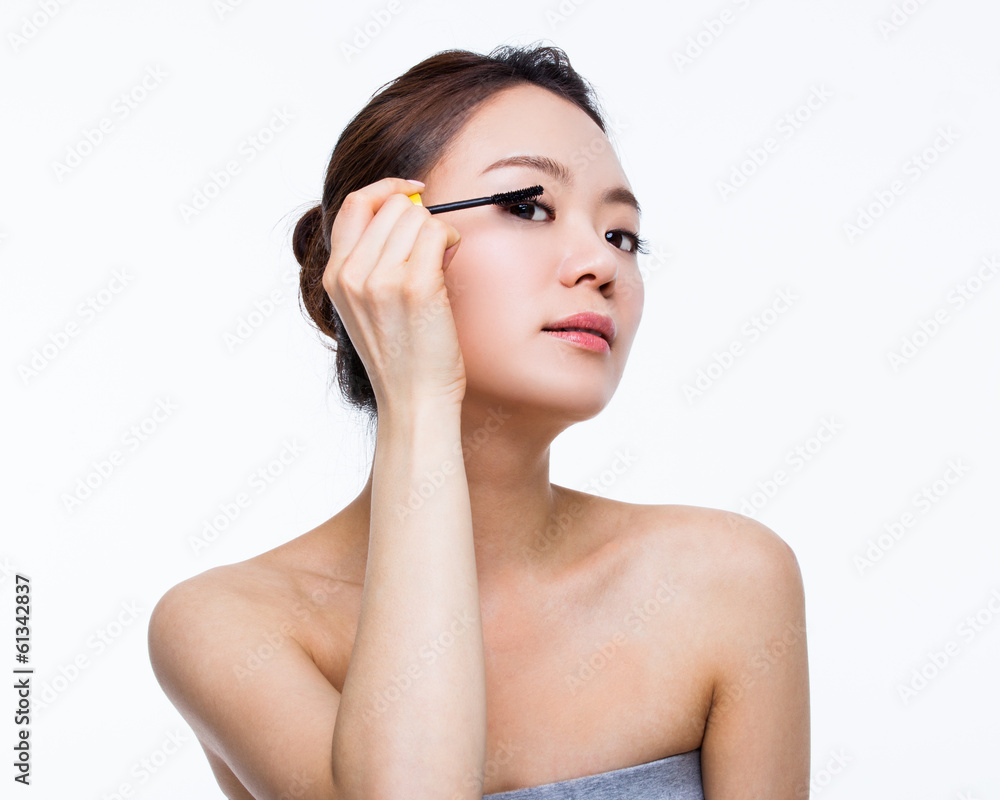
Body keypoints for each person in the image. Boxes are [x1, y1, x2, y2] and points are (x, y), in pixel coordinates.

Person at [148, 42, 809, 799]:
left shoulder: (724, 581)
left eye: (621, 235)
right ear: (376, 248)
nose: (601, 264)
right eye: (527, 206)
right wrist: (420, 400)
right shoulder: (232, 626)